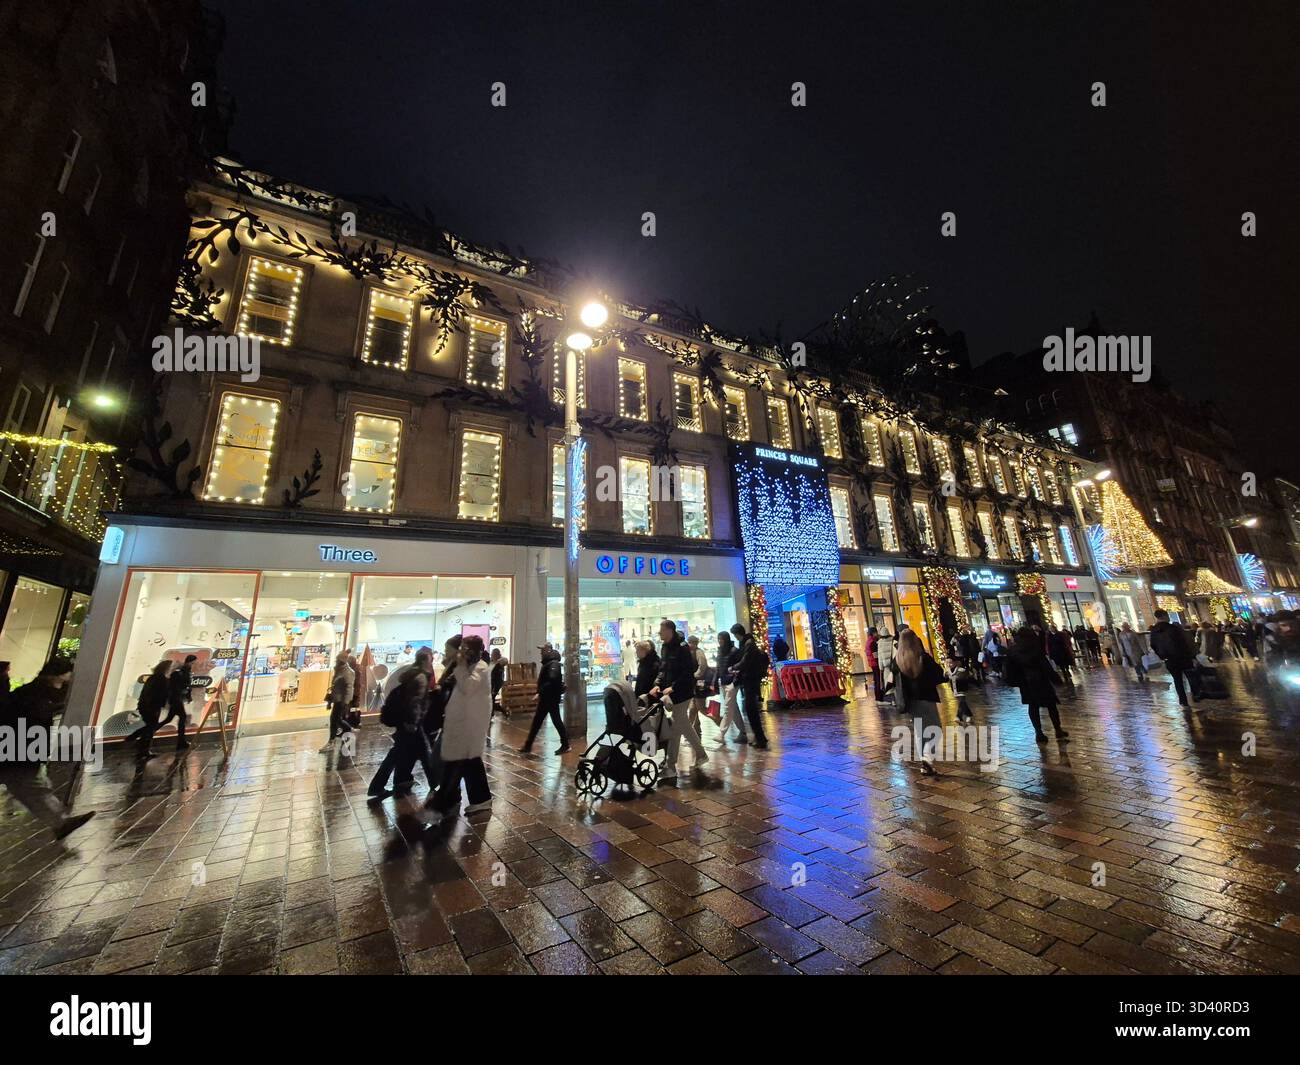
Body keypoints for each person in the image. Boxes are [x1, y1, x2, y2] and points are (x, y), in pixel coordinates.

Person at [0, 657, 95, 840]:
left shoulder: (36, 692)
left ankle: (61, 822)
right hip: (18, 748)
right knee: (32, 785)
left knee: (33, 786)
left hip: (18, 748)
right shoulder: (38, 694)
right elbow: (30, 724)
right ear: (60, 674)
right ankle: (60, 823)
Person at [429, 635, 494, 821]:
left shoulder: (480, 668)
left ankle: (447, 800)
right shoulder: (469, 666)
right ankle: (472, 799)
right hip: (462, 724)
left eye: (466, 648)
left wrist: (460, 666)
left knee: (464, 762)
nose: (462, 652)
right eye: (462, 648)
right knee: (467, 762)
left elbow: (468, 686)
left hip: (470, 724)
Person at [650, 620, 709, 783]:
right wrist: (657, 684)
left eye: (661, 630)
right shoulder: (665, 647)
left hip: (682, 692)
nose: (659, 633)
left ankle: (670, 766)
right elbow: (663, 669)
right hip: (670, 692)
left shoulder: (682, 648)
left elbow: (686, 672)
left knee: (676, 727)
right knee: (684, 725)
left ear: (669, 630)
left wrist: (673, 687)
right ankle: (702, 755)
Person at [368, 671, 430, 798]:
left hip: (405, 727)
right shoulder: (412, 690)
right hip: (408, 727)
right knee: (422, 755)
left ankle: (397, 782)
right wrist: (410, 722)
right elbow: (412, 708)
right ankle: (437, 786)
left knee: (401, 754)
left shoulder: (401, 689)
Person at [894, 629, 946, 775]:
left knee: (919, 731)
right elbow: (938, 674)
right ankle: (927, 758)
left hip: (910, 702)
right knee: (936, 729)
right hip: (926, 698)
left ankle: (924, 764)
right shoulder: (922, 657)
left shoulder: (897, 660)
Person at [1004, 627, 1068, 744]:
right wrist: (1055, 678)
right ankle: (1058, 729)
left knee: (1033, 707)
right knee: (1051, 705)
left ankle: (1039, 733)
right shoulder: (1034, 647)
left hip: (1026, 683)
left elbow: (1009, 669)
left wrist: (1015, 681)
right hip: (1040, 680)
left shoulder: (1013, 650)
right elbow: (1045, 665)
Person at [1149, 608, 1202, 709]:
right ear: (1165, 616)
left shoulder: (1154, 630)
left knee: (1177, 680)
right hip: (1182, 657)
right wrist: (1192, 656)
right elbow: (1183, 642)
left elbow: (1153, 645)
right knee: (1191, 677)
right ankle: (1196, 695)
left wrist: (1162, 656)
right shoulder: (1172, 628)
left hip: (1169, 660)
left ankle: (1183, 701)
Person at [729, 623, 769, 750]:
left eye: (735, 635)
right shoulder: (747, 643)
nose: (735, 637)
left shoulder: (748, 644)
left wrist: (734, 667)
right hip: (749, 679)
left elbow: (745, 661)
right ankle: (759, 737)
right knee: (751, 710)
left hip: (751, 680)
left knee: (751, 710)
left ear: (737, 633)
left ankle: (760, 739)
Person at [523, 644, 569, 754]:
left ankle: (565, 745)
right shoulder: (550, 663)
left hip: (550, 698)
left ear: (548, 651)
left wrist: (540, 692)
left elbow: (552, 679)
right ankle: (528, 745)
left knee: (554, 721)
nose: (541, 653)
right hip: (547, 698)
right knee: (538, 722)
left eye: (542, 651)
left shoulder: (553, 664)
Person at [127, 660, 173, 757]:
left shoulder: (153, 678)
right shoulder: (161, 679)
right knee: (151, 727)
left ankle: (141, 747)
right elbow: (161, 694)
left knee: (150, 727)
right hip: (152, 707)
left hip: (146, 706)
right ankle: (137, 742)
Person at [713, 630, 748, 745]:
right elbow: (719, 667)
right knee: (733, 708)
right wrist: (714, 681)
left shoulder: (734, 651)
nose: (720, 641)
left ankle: (721, 734)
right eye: (719, 639)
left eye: (722, 639)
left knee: (728, 707)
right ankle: (743, 732)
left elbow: (740, 667)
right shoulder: (720, 651)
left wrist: (735, 681)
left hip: (732, 683)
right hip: (724, 682)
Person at [319, 652, 356, 750]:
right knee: (337, 719)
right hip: (337, 698)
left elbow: (349, 688)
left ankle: (332, 741)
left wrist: (346, 701)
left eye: (337, 660)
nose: (336, 662)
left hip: (341, 700)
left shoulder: (347, 672)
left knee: (334, 719)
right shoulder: (339, 670)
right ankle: (348, 729)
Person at [160, 654, 196, 750]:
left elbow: (187, 686)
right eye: (192, 663)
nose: (193, 665)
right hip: (176, 699)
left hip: (177, 698)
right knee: (182, 717)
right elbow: (180, 686)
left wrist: (188, 696)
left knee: (169, 719)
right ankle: (181, 741)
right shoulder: (180, 672)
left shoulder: (185, 672)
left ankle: (149, 731)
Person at [945, 655, 974, 723]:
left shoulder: (961, 670)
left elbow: (968, 678)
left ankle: (959, 716)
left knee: (961, 702)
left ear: (956, 662)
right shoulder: (948, 672)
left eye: (951, 662)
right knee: (963, 703)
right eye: (947, 663)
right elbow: (945, 678)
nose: (949, 664)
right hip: (955, 690)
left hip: (962, 689)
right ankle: (969, 715)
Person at [865, 627, 884, 700]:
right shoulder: (872, 642)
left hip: (872, 663)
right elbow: (875, 654)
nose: (877, 634)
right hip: (875, 663)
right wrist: (879, 662)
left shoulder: (869, 641)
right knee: (878, 680)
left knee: (876, 680)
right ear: (873, 633)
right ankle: (879, 696)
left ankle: (877, 696)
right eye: (876, 632)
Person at [489, 648, 509, 719]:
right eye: (492, 654)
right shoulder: (491, 662)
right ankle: (499, 712)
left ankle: (500, 711)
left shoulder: (499, 664)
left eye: (493, 654)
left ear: (497, 655)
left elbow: (498, 679)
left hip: (495, 684)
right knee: (491, 700)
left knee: (491, 699)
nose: (492, 655)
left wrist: (494, 689)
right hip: (490, 684)